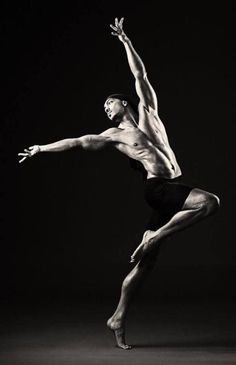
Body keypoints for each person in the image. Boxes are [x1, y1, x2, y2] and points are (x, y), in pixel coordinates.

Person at [18, 18, 220, 350]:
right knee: (210, 202)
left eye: (108, 103)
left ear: (122, 102)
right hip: (158, 189)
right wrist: (42, 148)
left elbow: (141, 76)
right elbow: (78, 141)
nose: (105, 108)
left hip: (171, 189)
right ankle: (155, 236)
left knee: (146, 264)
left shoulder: (149, 114)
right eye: (103, 107)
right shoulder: (115, 137)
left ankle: (118, 316)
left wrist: (126, 40)